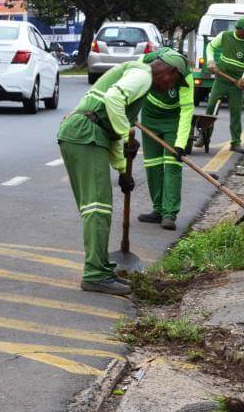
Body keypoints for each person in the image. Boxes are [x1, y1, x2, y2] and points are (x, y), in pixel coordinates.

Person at [57, 48, 190, 296]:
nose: (172, 87)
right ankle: (95, 275)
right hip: (85, 135)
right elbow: (114, 100)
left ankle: (101, 268)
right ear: (168, 72)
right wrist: (124, 136)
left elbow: (113, 122)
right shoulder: (143, 75)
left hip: (88, 135)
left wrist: (122, 170)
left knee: (98, 208)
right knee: (97, 208)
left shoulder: (139, 76)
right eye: (175, 81)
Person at [135, 51, 195, 231]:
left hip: (173, 120)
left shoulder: (185, 77)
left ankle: (169, 214)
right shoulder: (144, 64)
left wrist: (180, 144)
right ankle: (158, 210)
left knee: (172, 164)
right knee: (152, 165)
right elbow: (132, 92)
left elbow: (186, 110)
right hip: (150, 117)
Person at [197, 17, 244, 153]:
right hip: (221, 79)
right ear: (237, 29)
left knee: (236, 112)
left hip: (236, 83)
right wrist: (211, 61)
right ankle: (204, 137)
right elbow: (210, 46)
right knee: (210, 106)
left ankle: (236, 142)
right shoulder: (225, 36)